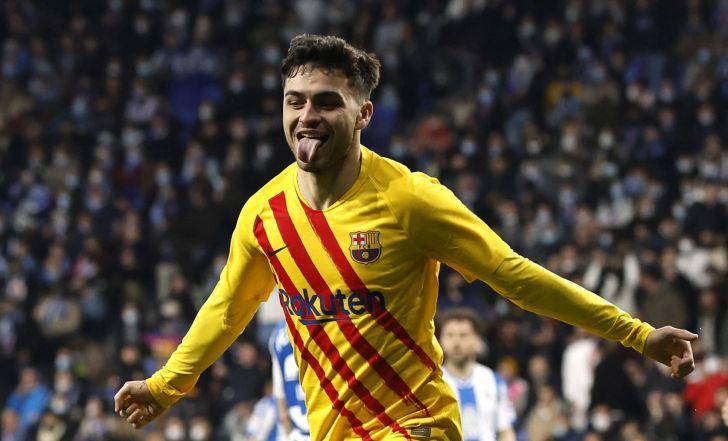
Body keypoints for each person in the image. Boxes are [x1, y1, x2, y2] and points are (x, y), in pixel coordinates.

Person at [114, 34, 698, 441]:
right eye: (295, 102)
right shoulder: (263, 215)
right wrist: (164, 388)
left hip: (415, 426)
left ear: (364, 114)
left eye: (327, 103)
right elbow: (226, 309)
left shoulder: (410, 199)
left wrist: (637, 334)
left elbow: (514, 275)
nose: (307, 116)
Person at [438, 308, 516, 441]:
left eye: (463, 335)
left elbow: (506, 430)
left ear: (477, 340)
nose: (456, 342)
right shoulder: (433, 383)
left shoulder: (493, 380)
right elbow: (419, 430)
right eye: (450, 335)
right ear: (440, 340)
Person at [269, 320, 310, 440]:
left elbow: (280, 397)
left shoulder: (277, 334)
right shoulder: (320, 322)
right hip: (324, 427)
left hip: (297, 431)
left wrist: (290, 433)